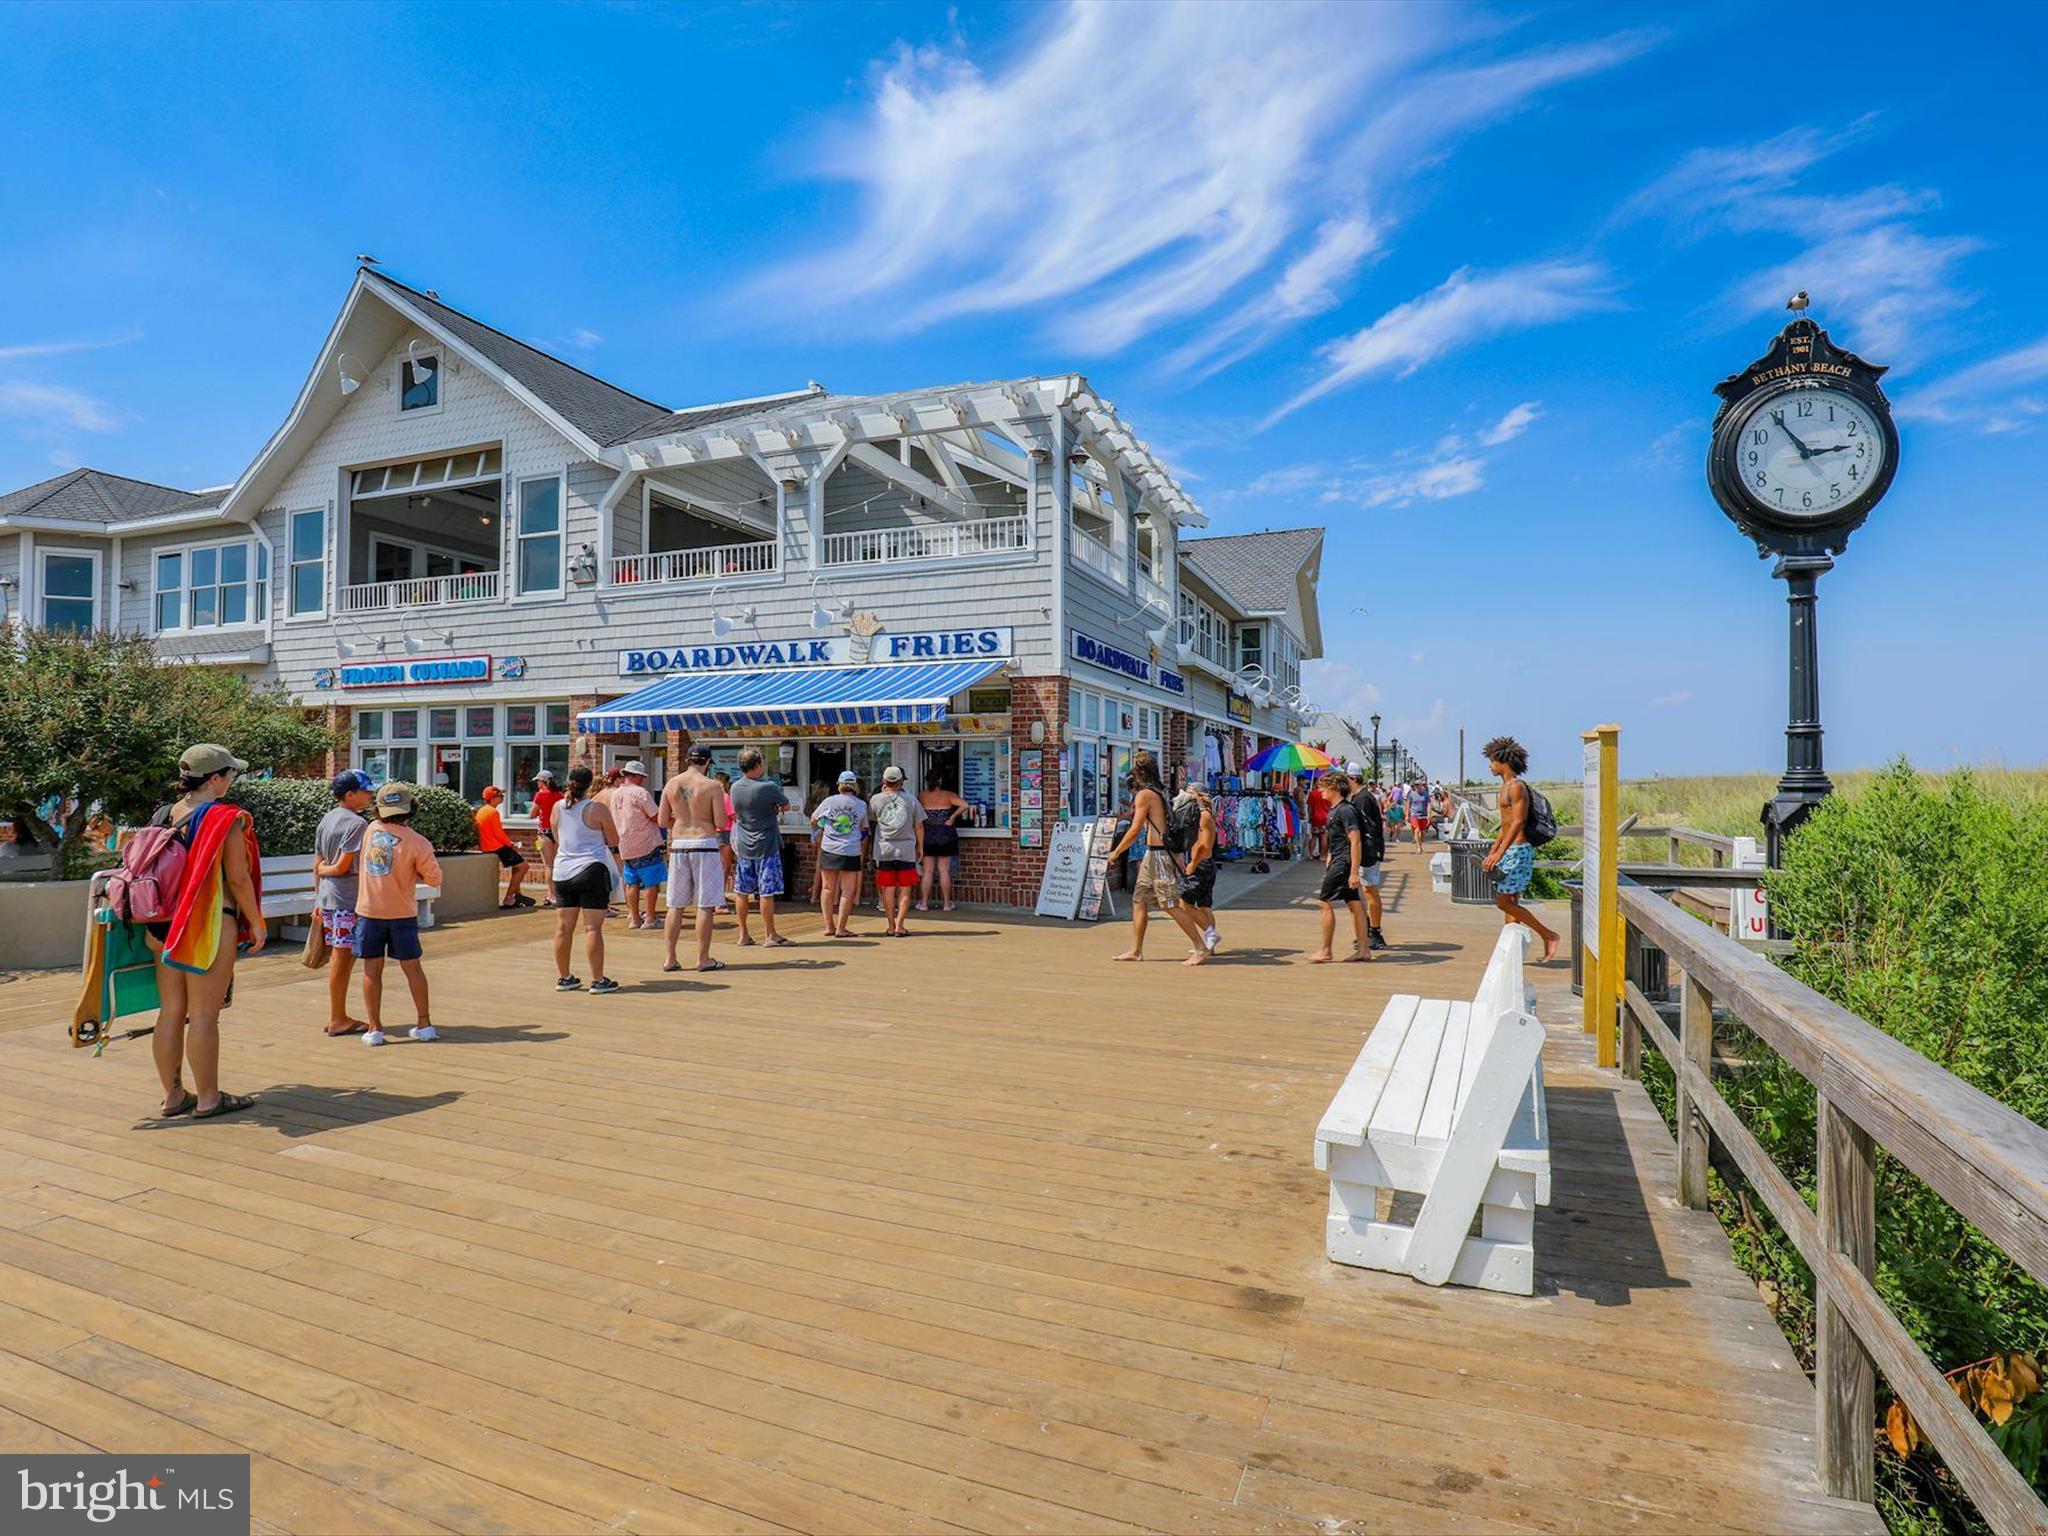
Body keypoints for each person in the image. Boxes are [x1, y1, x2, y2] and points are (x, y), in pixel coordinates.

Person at [144, 743, 264, 1118]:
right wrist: (256, 922)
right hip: (206, 926)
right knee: (203, 1015)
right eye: (230, 774)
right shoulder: (225, 818)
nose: (231, 780)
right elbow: (238, 878)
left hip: (163, 925)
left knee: (170, 1012)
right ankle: (209, 1097)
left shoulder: (164, 814)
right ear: (214, 779)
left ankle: (173, 1095)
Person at [355, 782, 444, 1045]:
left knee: (371, 971)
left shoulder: (371, 830)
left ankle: (374, 1028)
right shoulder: (418, 842)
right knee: (412, 967)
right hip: (402, 913)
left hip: (369, 911)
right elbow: (434, 878)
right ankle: (424, 1023)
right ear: (410, 809)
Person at [1103, 750, 1211, 966]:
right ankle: (1135, 951)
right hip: (1152, 854)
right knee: (1139, 900)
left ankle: (1200, 947)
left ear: (1139, 773)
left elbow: (1134, 830)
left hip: (1159, 855)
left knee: (1170, 904)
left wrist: (1116, 852)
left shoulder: (1145, 795)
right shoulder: (1160, 791)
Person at [1481, 735, 1561, 962]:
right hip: (1509, 850)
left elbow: (1517, 822)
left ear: (1504, 761)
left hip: (1518, 850)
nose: (1490, 765)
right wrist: (1494, 849)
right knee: (1511, 903)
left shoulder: (1516, 787)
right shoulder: (1505, 787)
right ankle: (1509, 956)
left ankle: (1548, 935)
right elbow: (1504, 825)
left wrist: (1500, 852)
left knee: (1504, 902)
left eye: (1492, 760)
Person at [550, 764, 622, 993]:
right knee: (592, 928)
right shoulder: (596, 809)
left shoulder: (557, 807)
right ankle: (598, 980)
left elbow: (557, 837)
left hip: (562, 872)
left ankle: (565, 978)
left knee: (563, 928)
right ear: (590, 784)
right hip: (591, 869)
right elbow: (614, 840)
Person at [315, 768, 375, 1037]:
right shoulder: (358, 824)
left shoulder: (327, 819)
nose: (369, 795)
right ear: (350, 794)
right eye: (365, 791)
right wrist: (327, 870)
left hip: (329, 897)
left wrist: (318, 894)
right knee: (342, 957)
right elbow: (341, 867)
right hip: (347, 898)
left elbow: (317, 863)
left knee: (341, 956)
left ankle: (337, 1015)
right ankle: (337, 1017)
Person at [660, 743, 728, 973]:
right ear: (707, 762)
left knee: (675, 905)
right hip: (704, 843)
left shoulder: (672, 783)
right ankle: (703, 958)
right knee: (705, 904)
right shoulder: (712, 786)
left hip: (679, 844)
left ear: (688, 760)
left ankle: (670, 958)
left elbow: (662, 821)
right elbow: (721, 822)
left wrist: (681, 820)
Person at [1308, 766, 1371, 964]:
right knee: (1354, 903)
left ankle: (1326, 951)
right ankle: (1364, 950)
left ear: (1335, 788)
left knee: (1324, 902)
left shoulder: (1345, 810)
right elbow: (1338, 838)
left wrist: (1354, 872)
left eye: (1324, 787)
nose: (1321, 790)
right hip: (1339, 859)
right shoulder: (1336, 809)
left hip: (1344, 862)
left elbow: (1355, 841)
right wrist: (1329, 855)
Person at [729, 746, 791, 948]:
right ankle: (770, 934)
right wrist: (774, 808)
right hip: (766, 844)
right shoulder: (768, 787)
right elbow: (786, 805)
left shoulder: (735, 787)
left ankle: (743, 934)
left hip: (744, 845)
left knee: (742, 891)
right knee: (766, 892)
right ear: (757, 765)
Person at [810, 769, 869, 938]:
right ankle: (841, 928)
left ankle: (829, 926)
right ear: (854, 786)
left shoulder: (829, 801)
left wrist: (824, 826)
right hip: (851, 849)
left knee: (827, 888)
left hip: (829, 848)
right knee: (847, 891)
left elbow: (813, 819)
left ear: (839, 785)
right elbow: (864, 827)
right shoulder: (861, 804)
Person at [608, 760, 665, 929]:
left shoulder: (615, 794)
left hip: (625, 845)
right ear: (635, 776)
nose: (643, 779)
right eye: (641, 776)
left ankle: (634, 918)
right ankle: (650, 918)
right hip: (646, 843)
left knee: (631, 882)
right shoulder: (641, 793)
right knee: (651, 883)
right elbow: (655, 816)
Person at [869, 765, 924, 938]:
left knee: (888, 888)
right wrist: (920, 846)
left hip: (884, 848)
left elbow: (871, 819)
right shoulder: (911, 800)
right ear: (901, 781)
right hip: (906, 849)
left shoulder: (875, 799)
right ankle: (900, 925)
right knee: (905, 888)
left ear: (884, 781)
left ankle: (890, 925)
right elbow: (919, 825)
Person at [1174, 779, 1222, 956]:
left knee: (1183, 903)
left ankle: (1211, 934)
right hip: (1205, 865)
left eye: (1190, 794)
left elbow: (1204, 845)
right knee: (1204, 905)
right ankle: (1210, 946)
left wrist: (1193, 864)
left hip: (1201, 865)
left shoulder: (1204, 816)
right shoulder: (1201, 814)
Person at [1347, 764, 1389, 952]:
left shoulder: (1362, 799)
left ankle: (1376, 932)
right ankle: (1368, 930)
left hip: (1369, 850)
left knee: (1370, 890)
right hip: (1370, 848)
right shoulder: (1360, 797)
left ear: (1353, 779)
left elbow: (1366, 828)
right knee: (1366, 890)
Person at [917, 771, 969, 912]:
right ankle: (947, 903)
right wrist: (952, 817)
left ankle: (924, 903)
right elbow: (965, 805)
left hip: (928, 835)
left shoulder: (922, 795)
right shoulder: (948, 795)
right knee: (944, 871)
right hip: (946, 835)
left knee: (927, 871)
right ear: (940, 780)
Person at [474, 787, 534, 909]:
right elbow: (498, 833)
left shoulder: (482, 811)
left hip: (487, 846)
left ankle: (516, 895)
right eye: (500, 795)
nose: (503, 797)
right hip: (496, 846)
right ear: (493, 799)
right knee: (523, 867)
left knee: (517, 867)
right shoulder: (493, 812)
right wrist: (511, 844)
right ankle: (509, 898)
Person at [531, 768, 563, 905]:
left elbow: (532, 814)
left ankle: (552, 895)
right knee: (557, 863)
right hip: (557, 831)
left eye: (538, 781)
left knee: (549, 865)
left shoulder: (540, 795)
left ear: (541, 782)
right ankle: (556, 893)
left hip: (544, 832)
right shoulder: (560, 795)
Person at [1409, 778, 1433, 849]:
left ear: (1421, 785)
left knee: (1422, 832)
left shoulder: (1425, 794)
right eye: (1415, 785)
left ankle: (1420, 844)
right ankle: (1418, 847)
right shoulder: (1411, 794)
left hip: (1423, 815)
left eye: (1418, 785)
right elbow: (1408, 804)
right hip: (1414, 815)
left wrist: (1429, 814)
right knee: (1416, 830)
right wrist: (1407, 815)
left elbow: (1429, 805)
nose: (1416, 786)